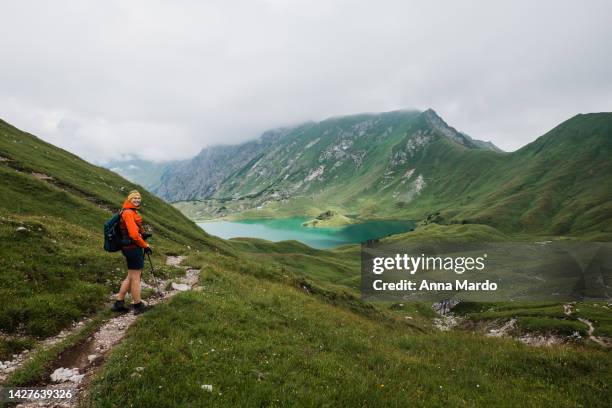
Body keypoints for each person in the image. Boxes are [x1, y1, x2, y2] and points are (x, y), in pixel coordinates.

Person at [111, 190, 153, 314]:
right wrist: (145, 245)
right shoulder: (129, 212)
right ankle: (138, 305)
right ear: (129, 200)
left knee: (130, 276)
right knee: (136, 278)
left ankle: (119, 303)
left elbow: (133, 231)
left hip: (128, 248)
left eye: (139, 198)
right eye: (134, 198)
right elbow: (134, 235)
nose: (137, 200)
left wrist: (142, 234)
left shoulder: (127, 211)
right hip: (133, 248)